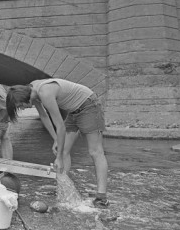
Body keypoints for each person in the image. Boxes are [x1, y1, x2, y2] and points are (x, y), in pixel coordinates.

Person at [6, 78, 109, 208]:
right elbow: (44, 116)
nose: (22, 109)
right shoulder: (33, 91)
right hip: (73, 110)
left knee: (95, 151)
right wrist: (56, 139)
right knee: (64, 149)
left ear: (22, 99)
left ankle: (102, 197)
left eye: (20, 106)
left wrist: (58, 158)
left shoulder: (45, 93)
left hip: (88, 105)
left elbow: (60, 126)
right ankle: (63, 188)